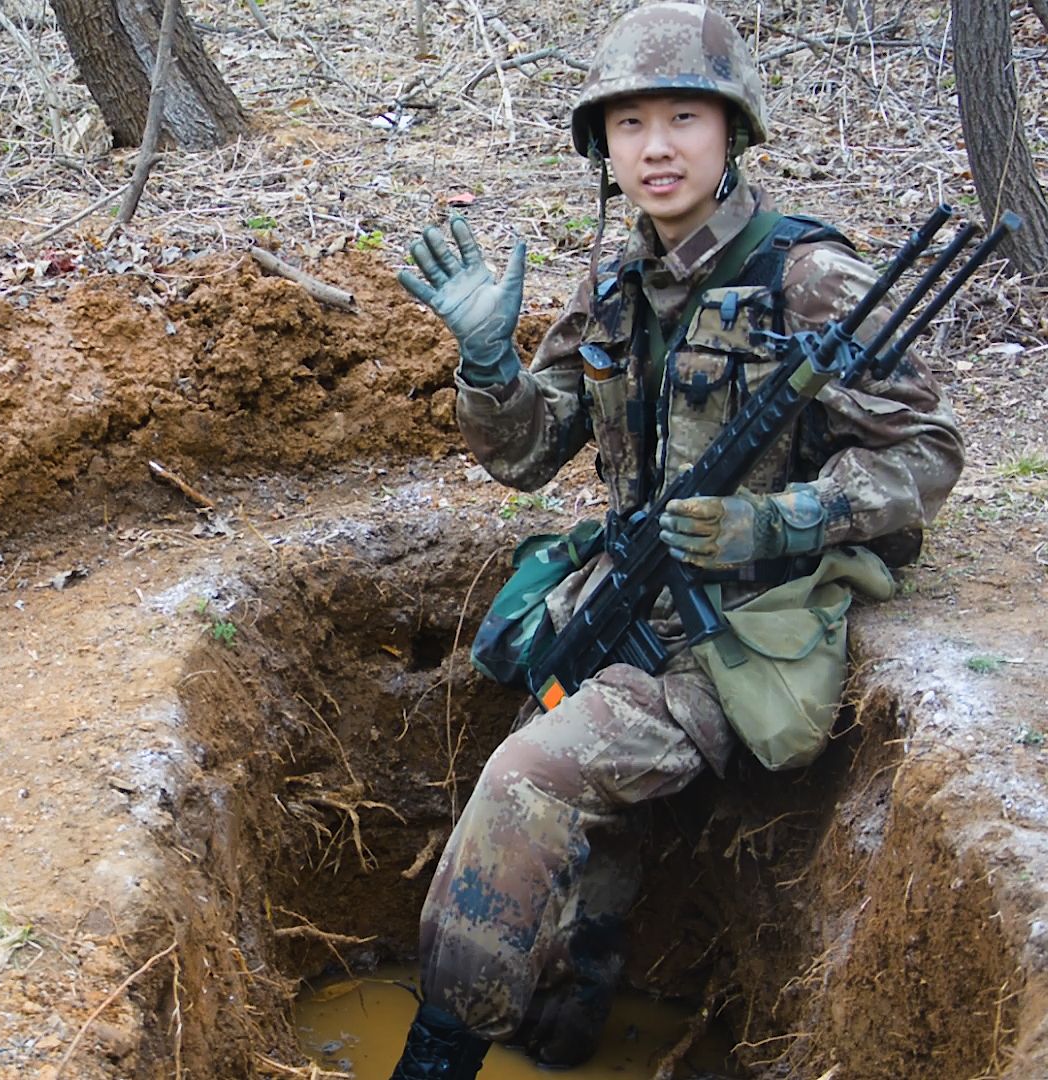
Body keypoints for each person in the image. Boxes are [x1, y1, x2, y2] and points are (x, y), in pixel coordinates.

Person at [388, 3, 965, 1077]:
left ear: (733, 132)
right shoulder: (612, 285)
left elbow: (927, 456)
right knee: (555, 803)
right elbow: (525, 454)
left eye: (685, 118)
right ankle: (565, 1031)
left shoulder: (807, 276)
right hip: (622, 608)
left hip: (741, 636)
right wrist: (485, 368)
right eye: (630, 124)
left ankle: (435, 1057)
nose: (656, 148)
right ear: (602, 147)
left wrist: (779, 517)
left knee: (530, 778)